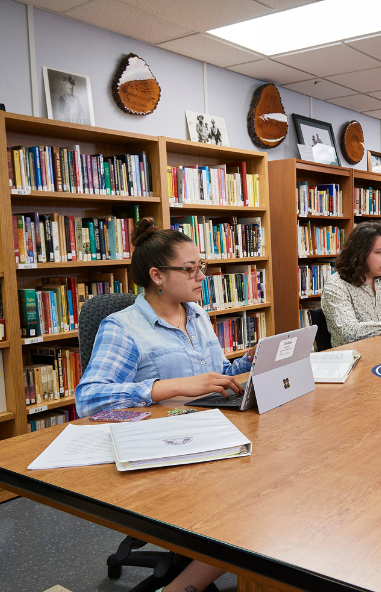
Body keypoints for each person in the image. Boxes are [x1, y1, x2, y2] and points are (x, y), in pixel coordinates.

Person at [76, 218, 257, 592]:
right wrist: (168, 387)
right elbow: (89, 398)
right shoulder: (122, 327)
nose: (201, 276)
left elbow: (215, 375)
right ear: (157, 276)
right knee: (249, 502)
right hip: (162, 447)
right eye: (190, 269)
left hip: (205, 433)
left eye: (201, 266)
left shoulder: (198, 315)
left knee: (270, 483)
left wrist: (247, 362)